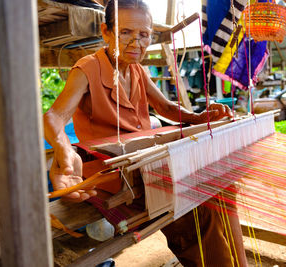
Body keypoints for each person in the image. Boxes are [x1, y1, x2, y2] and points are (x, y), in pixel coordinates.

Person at [44, 0, 248, 266]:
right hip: (114, 176)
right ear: (106, 32)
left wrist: (200, 117)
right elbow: (54, 117)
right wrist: (63, 149)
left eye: (143, 35)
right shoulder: (87, 68)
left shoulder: (138, 70)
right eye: (125, 33)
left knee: (222, 188)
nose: (136, 43)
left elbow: (164, 106)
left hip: (147, 165)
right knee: (197, 211)